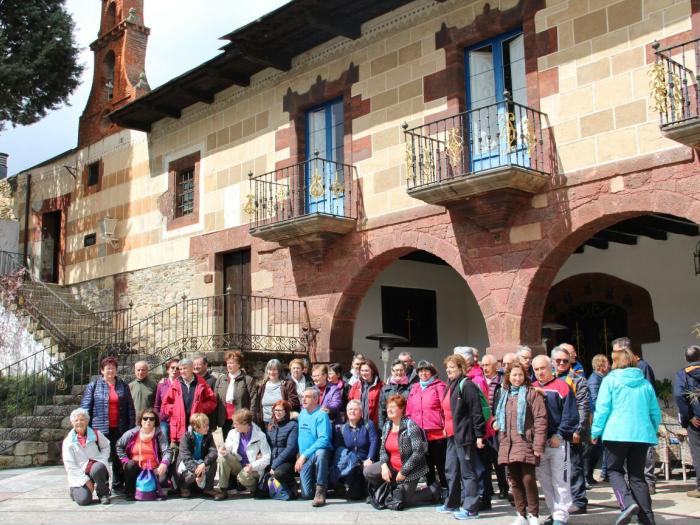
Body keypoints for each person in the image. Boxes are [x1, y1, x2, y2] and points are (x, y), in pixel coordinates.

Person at [591, 347, 661, 525]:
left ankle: (627, 503)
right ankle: (648, 520)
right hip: (641, 435)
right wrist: (651, 429)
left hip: (616, 434)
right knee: (638, 477)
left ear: (615, 362)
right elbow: (655, 412)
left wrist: (595, 431)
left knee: (614, 470)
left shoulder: (610, 381)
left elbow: (602, 409)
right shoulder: (645, 383)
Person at [494, 362, 547, 525]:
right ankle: (521, 514)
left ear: (525, 376)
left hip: (526, 443)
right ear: (508, 377)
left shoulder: (532, 394)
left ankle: (533, 514)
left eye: (520, 375)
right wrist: (493, 423)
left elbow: (541, 420)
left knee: (528, 479)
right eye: (514, 375)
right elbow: (494, 415)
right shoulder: (504, 394)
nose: (517, 378)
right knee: (514, 481)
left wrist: (538, 446)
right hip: (507, 443)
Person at [364, 394, 440, 509]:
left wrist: (404, 472)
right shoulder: (387, 425)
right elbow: (383, 449)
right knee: (368, 471)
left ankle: (433, 491)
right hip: (392, 466)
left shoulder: (411, 425)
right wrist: (384, 465)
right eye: (388, 407)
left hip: (411, 469)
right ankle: (387, 490)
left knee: (405, 500)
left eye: (393, 407)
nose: (389, 409)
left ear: (401, 409)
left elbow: (418, 452)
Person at [437, 354, 486, 520]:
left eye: (452, 367)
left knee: (468, 472)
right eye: (447, 367)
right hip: (451, 435)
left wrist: (479, 435)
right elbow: (447, 410)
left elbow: (476, 411)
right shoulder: (450, 384)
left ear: (461, 368)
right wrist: (444, 427)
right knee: (451, 470)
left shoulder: (467, 385)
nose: (448, 370)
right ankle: (452, 503)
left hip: (464, 436)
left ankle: (471, 508)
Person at [532, 355, 579, 525]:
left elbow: (571, 415)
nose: (539, 372)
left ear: (550, 367)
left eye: (542, 368)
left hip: (557, 443)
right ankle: (555, 513)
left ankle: (561, 516)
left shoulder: (562, 387)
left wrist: (559, 435)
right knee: (545, 482)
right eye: (536, 369)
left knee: (560, 481)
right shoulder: (532, 387)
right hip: (539, 444)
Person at [80, 356, 136, 494]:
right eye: (107, 368)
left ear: (116, 370)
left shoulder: (123, 385)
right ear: (102, 370)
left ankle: (118, 484)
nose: (110, 370)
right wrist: (84, 428)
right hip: (99, 429)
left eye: (113, 368)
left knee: (118, 456)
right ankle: (103, 486)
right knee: (101, 457)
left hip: (120, 427)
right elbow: (85, 408)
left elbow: (130, 408)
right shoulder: (94, 386)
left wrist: (130, 428)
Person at [612, 337, 657, 494]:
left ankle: (649, 481)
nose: (614, 355)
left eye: (617, 351)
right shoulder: (615, 374)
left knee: (646, 454)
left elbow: (650, 394)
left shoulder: (642, 367)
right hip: (625, 424)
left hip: (641, 419)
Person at [552, 345, 590, 515]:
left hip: (571, 430)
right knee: (558, 469)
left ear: (570, 361)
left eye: (565, 361)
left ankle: (579, 501)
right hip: (554, 431)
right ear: (552, 361)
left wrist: (578, 429)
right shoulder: (549, 378)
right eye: (558, 360)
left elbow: (583, 406)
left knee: (574, 467)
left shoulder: (577, 380)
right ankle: (562, 501)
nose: (561, 363)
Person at [406, 360, 448, 488]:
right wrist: (409, 425)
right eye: (420, 371)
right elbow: (409, 409)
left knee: (441, 463)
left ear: (432, 372)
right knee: (426, 463)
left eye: (426, 370)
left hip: (436, 433)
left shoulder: (440, 386)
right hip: (419, 433)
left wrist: (446, 426)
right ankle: (432, 489)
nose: (423, 373)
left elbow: (445, 408)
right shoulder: (415, 387)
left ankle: (446, 488)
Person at [116, 408, 171, 501]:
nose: (148, 421)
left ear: (155, 421)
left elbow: (167, 451)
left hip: (154, 469)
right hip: (137, 469)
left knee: (163, 478)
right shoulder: (131, 433)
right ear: (140, 421)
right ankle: (130, 492)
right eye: (145, 418)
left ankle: (154, 491)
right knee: (130, 465)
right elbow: (119, 446)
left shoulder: (159, 435)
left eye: (151, 419)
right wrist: (125, 460)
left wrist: (164, 463)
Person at [215, 408, 271, 500]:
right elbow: (227, 447)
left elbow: (267, 458)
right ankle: (223, 490)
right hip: (239, 465)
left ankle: (254, 489)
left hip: (253, 469)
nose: (234, 425)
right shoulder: (232, 433)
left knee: (243, 476)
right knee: (223, 458)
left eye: (236, 424)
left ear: (246, 424)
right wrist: (223, 451)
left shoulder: (260, 435)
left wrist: (252, 466)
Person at [160, 358, 217, 447]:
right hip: (178, 427)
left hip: (196, 425)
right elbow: (165, 405)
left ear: (192, 368)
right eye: (181, 369)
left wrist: (202, 408)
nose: (182, 371)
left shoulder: (201, 383)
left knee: (196, 454)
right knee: (177, 455)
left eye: (185, 368)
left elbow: (212, 401)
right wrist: (174, 410)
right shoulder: (175, 384)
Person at [62, 407, 111, 506]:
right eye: (76, 420)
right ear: (72, 423)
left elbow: (106, 446)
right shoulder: (68, 441)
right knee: (84, 501)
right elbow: (70, 466)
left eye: (82, 419)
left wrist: (102, 459)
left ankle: (103, 494)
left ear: (87, 421)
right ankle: (74, 491)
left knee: (99, 467)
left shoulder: (96, 434)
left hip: (95, 468)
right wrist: (85, 480)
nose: (79, 422)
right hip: (79, 473)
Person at [332, 399, 378, 499]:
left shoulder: (368, 425)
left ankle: (368, 490)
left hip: (366, 462)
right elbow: (339, 448)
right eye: (350, 409)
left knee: (364, 478)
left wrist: (370, 458)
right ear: (346, 411)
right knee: (354, 495)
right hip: (351, 464)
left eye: (355, 409)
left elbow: (374, 442)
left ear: (361, 412)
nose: (352, 411)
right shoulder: (342, 428)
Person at [296, 386, 333, 506]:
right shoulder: (302, 413)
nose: (303, 399)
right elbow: (302, 438)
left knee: (321, 453)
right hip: (305, 455)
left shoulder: (322, 415)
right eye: (303, 397)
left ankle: (321, 490)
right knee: (306, 495)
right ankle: (329, 485)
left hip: (318, 454)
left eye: (307, 397)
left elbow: (324, 440)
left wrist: (304, 455)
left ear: (316, 399)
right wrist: (301, 455)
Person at [672, 344, 700, 499]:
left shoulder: (683, 374)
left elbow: (679, 395)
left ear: (686, 358)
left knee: (698, 453)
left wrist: (689, 416)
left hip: (696, 421)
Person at [481, 353, 508, 499]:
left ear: (496, 366)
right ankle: (488, 488)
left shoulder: (502, 381)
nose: (485, 368)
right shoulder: (479, 381)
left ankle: (504, 487)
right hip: (483, 426)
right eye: (483, 365)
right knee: (484, 460)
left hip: (497, 426)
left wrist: (498, 420)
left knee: (498, 459)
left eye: (487, 365)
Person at [214, 350, 256, 440]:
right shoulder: (221, 380)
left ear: (239, 364)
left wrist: (250, 419)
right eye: (228, 363)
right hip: (224, 420)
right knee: (227, 446)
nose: (229, 365)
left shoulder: (248, 380)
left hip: (241, 421)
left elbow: (253, 401)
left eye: (232, 363)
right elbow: (215, 400)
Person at [176, 412, 218, 498]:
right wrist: (197, 469)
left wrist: (204, 464)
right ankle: (184, 487)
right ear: (196, 427)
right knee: (191, 474)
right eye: (205, 425)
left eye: (208, 425)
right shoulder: (186, 436)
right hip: (189, 464)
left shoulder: (209, 436)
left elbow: (213, 452)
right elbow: (186, 457)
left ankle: (208, 488)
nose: (208, 427)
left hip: (201, 463)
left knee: (213, 462)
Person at [252, 358, 300, 427]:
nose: (272, 372)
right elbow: (257, 406)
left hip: (281, 422)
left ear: (279, 371)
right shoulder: (261, 386)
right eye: (270, 369)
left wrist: (282, 408)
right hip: (264, 422)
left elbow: (294, 402)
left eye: (274, 369)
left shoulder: (287, 385)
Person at [266, 400, 299, 497]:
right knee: (261, 494)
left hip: (287, 461)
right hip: (271, 459)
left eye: (280, 410)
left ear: (286, 412)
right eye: (275, 410)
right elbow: (267, 444)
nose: (277, 412)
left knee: (279, 473)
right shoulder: (271, 425)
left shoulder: (293, 426)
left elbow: (291, 448)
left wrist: (274, 465)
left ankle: (292, 486)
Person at [587, 354, 610, 484]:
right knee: (597, 448)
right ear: (601, 366)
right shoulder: (595, 379)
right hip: (598, 418)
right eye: (607, 363)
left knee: (603, 447)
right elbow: (595, 399)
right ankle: (589, 474)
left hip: (601, 417)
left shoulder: (601, 378)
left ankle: (605, 472)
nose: (609, 365)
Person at [348, 358, 383, 427]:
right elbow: (350, 402)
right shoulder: (356, 385)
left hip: (374, 425)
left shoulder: (381, 386)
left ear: (372, 371)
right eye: (362, 371)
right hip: (358, 425)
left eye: (366, 371)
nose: (364, 373)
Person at [378, 360, 411, 430]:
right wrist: (383, 428)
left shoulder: (411, 388)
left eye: (401, 370)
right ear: (392, 371)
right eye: (396, 370)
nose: (399, 372)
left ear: (405, 371)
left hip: (406, 426)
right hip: (389, 427)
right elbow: (381, 411)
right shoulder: (385, 389)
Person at [154, 358, 179, 443]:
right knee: (164, 439)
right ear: (168, 370)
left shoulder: (182, 385)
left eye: (177, 368)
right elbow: (157, 404)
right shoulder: (161, 385)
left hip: (178, 420)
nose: (175, 370)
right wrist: (156, 420)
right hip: (164, 420)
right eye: (172, 367)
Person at [193, 355, 218, 431]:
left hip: (207, 419)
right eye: (194, 365)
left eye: (199, 365)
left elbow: (215, 402)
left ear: (206, 365)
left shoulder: (212, 380)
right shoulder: (191, 380)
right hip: (193, 419)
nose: (196, 367)